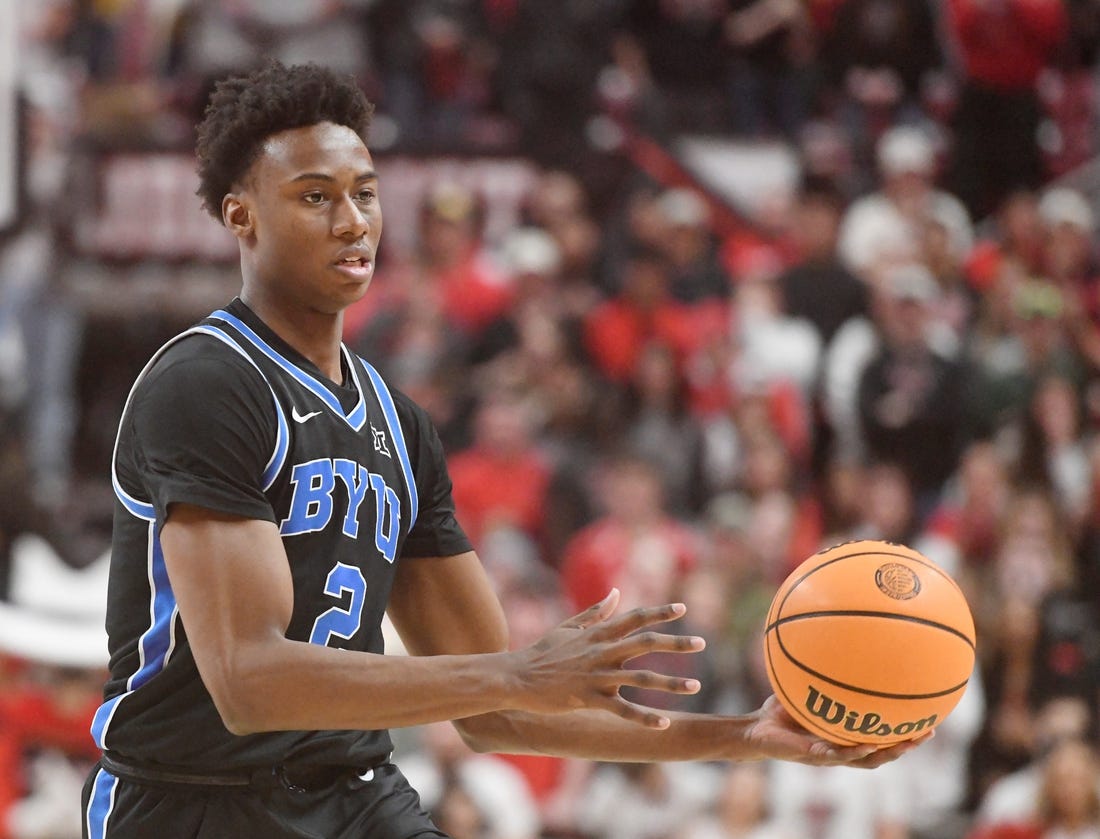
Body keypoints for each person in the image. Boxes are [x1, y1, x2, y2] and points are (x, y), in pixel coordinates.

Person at [80, 62, 924, 839]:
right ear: (241, 214)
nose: (352, 222)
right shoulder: (205, 383)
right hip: (192, 800)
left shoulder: (399, 425)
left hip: (352, 789)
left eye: (365, 193)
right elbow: (249, 681)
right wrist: (513, 673)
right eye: (313, 196)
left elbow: (498, 713)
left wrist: (746, 737)